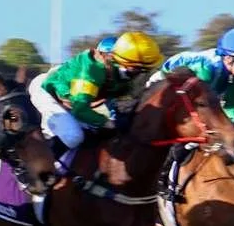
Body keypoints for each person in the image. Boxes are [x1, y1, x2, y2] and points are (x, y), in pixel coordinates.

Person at [29, 31, 163, 164]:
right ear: (127, 64)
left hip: (74, 99)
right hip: (48, 92)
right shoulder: (91, 72)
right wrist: (109, 123)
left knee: (97, 133)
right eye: (141, 69)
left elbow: (115, 102)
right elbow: (80, 110)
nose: (142, 74)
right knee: (74, 136)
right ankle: (35, 170)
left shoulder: (121, 72)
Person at [161, 27, 234, 123]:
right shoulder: (205, 68)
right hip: (161, 86)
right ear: (228, 58)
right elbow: (201, 104)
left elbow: (232, 104)